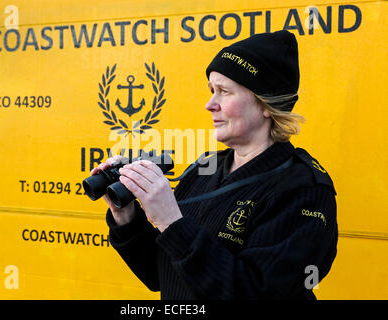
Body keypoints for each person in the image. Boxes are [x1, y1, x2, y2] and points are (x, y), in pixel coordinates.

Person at [90, 30, 338, 299]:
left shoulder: (304, 190)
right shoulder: (204, 171)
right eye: (211, 90)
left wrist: (173, 223)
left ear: (266, 103)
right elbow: (160, 273)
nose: (210, 105)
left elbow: (256, 293)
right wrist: (125, 216)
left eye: (224, 92)